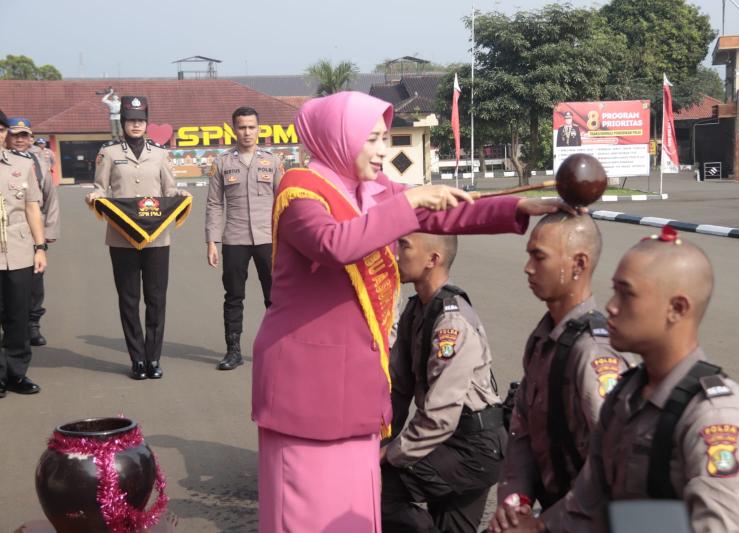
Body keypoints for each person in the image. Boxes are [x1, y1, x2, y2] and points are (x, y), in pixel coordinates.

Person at [251, 91, 578, 533]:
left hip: (355, 383)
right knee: (307, 508)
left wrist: (517, 208)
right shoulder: (300, 188)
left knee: (354, 507)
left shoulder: (375, 190)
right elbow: (335, 245)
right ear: (338, 138)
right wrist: (411, 201)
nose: (383, 150)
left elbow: (444, 216)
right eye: (372, 139)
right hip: (308, 384)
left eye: (385, 139)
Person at [494, 228, 739, 533]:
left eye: (627, 293)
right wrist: (537, 527)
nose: (611, 306)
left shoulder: (717, 419)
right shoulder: (627, 395)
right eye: (615, 290)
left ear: (677, 308)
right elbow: (588, 503)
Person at [489, 214, 630, 532]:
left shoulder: (594, 352)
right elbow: (522, 430)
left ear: (579, 264)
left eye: (539, 257)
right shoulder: (543, 339)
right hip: (556, 511)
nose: (528, 267)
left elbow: (613, 464)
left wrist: (541, 525)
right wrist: (516, 503)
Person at [381, 233, 507, 532]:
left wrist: (390, 453)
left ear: (432, 259)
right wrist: (382, 436)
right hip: (451, 441)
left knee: (374, 490)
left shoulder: (452, 323)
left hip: (472, 447)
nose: (394, 254)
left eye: (405, 246)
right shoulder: (417, 309)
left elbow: (440, 416)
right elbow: (399, 389)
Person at [85, 96, 190, 380]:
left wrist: (179, 196)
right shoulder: (108, 154)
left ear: (146, 124)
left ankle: (153, 357)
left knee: (156, 299)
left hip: (156, 238)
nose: (136, 125)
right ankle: (137, 360)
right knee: (129, 299)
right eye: (131, 120)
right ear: (123, 123)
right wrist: (96, 195)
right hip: (121, 238)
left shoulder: (159, 154)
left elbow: (170, 188)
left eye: (140, 120)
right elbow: (101, 187)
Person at [205, 106, 282, 370]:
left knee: (275, 296)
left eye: (251, 127)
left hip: (268, 239)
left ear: (259, 129)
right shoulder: (223, 163)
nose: (247, 132)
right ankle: (233, 351)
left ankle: (277, 349)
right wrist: (212, 242)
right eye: (242, 127)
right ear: (233, 129)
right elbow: (215, 204)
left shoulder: (272, 161)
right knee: (234, 295)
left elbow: (284, 203)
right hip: (234, 239)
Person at [0, 110, 48, 397]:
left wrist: (40, 247)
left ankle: (16, 374)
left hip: (18, 249)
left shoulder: (21, 164)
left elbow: (32, 208)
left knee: (18, 315)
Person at [6, 118, 60, 347]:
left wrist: (49, 230)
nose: (20, 140)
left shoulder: (37, 161)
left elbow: (50, 197)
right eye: (15, 135)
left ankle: (32, 325)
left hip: (33, 231)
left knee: (35, 282)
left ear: (30, 138)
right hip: (10, 231)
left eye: (24, 136)